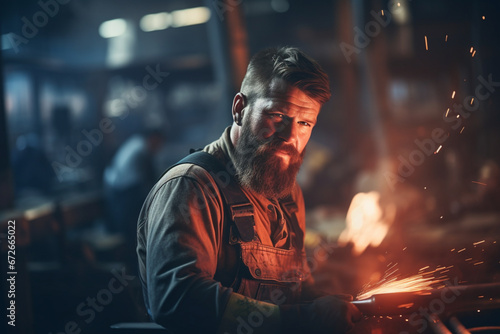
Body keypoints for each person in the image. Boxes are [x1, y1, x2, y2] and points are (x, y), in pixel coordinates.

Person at [137, 47, 362, 334]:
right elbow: (178, 299)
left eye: (305, 123)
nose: (291, 136)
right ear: (239, 109)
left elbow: (296, 288)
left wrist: (327, 304)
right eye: (277, 115)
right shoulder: (191, 187)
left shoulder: (289, 196)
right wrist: (304, 319)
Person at [104, 129, 164, 242]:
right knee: (131, 227)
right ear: (153, 138)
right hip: (123, 189)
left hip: (115, 185)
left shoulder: (136, 142)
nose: (159, 148)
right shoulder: (142, 149)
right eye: (159, 143)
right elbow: (150, 177)